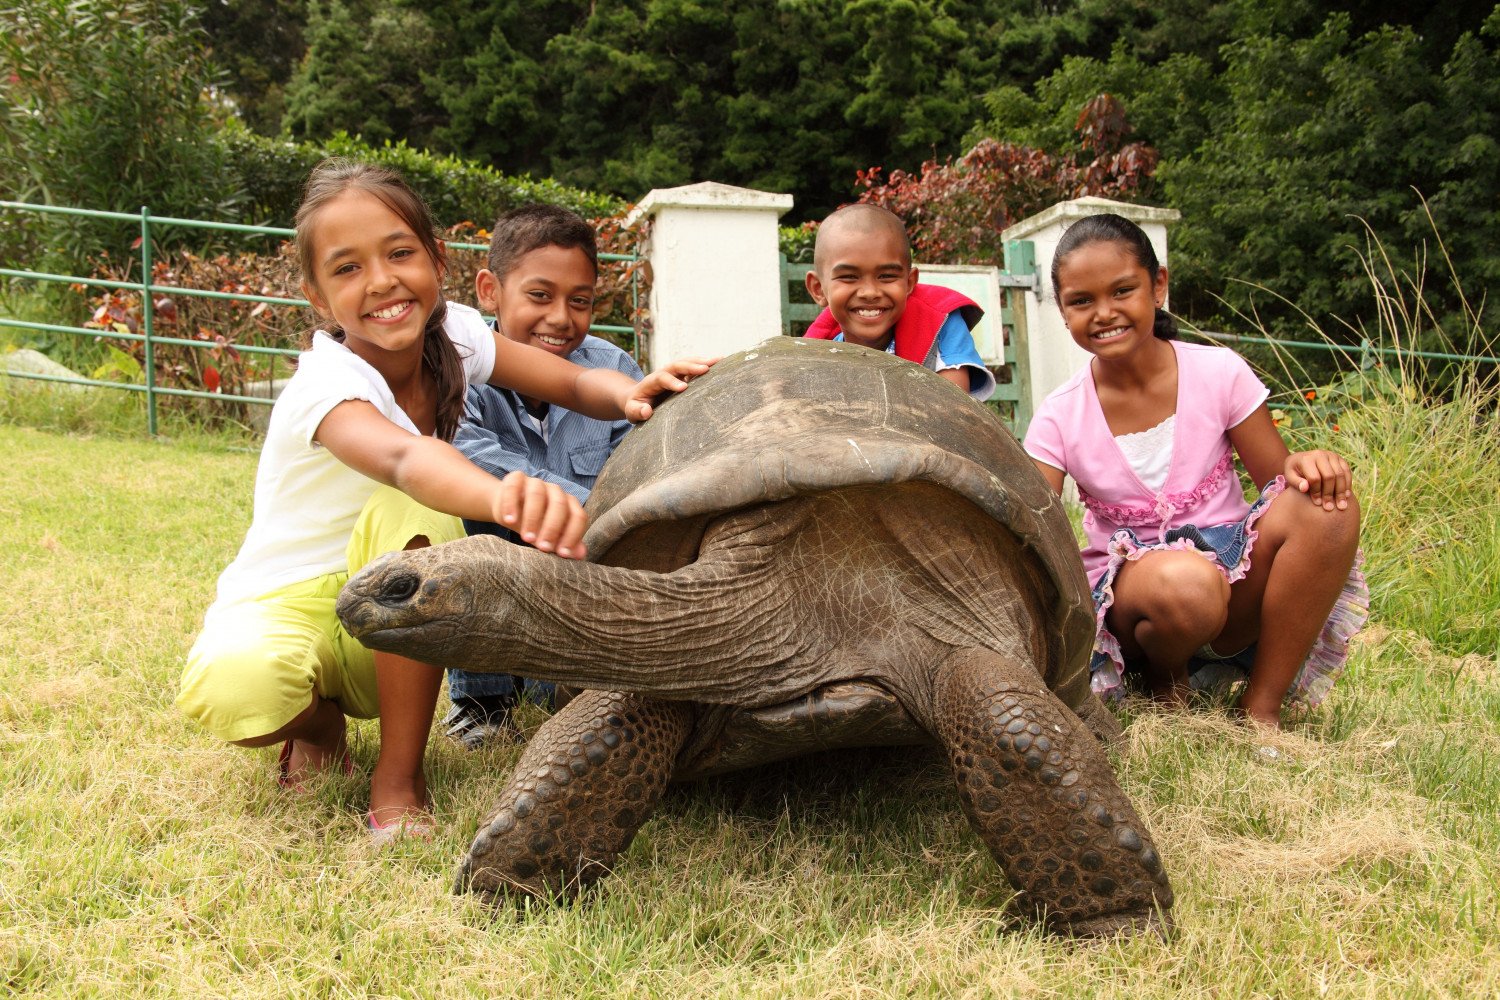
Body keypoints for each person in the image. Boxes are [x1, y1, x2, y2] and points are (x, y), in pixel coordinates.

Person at [176, 159, 713, 842]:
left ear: (436, 259)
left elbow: (570, 383)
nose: (382, 281)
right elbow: (406, 456)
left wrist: (629, 394)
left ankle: (398, 780)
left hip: (394, 621)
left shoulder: (454, 334)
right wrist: (502, 495)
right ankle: (317, 722)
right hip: (288, 601)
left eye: (400, 253)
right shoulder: (325, 384)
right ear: (316, 296)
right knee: (241, 687)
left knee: (416, 520)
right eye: (347, 269)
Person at [1022, 213, 1366, 729]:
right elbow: (1036, 526)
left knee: (1326, 508)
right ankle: (1166, 673)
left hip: (1234, 572)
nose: (1104, 312)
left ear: (1158, 286)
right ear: (1062, 311)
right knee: (1186, 582)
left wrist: (1310, 465)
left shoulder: (1218, 371)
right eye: (1081, 301)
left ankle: (1263, 705)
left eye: (1122, 290)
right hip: (1141, 598)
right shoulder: (1058, 415)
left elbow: (1280, 482)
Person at [443, 205, 643, 749]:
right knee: (472, 527)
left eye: (579, 301)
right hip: (509, 548)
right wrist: (586, 508)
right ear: (490, 291)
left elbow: (640, 467)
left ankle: (581, 684)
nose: (561, 317)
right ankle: (480, 703)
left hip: (587, 568)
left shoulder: (613, 370)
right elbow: (470, 460)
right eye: (540, 295)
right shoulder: (456, 372)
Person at [801, 204, 995, 402]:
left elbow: (951, 411)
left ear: (909, 282)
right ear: (818, 289)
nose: (870, 292)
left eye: (886, 276)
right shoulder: (817, 358)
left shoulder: (941, 324)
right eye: (849, 277)